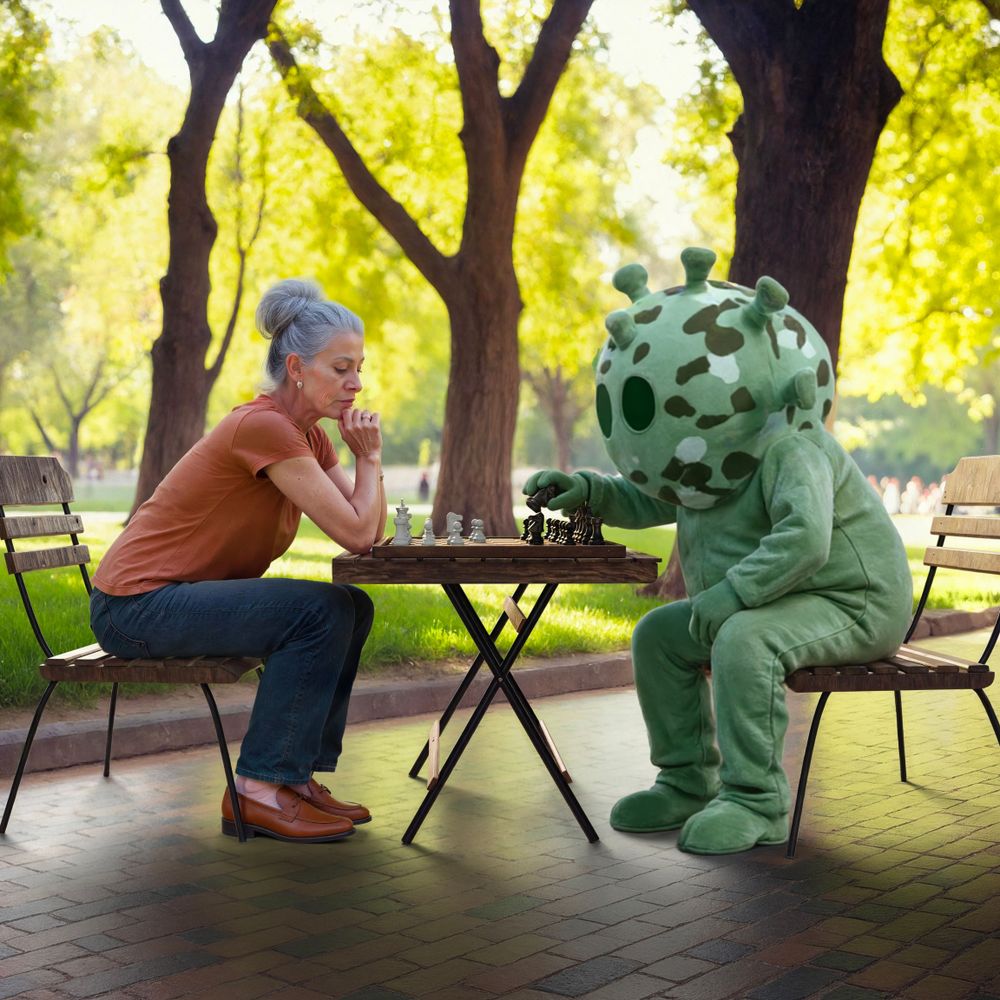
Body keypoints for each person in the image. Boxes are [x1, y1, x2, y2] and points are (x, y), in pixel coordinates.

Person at [90, 279, 386, 844]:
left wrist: (362, 462)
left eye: (359, 368)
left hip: (171, 600)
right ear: (297, 367)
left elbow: (364, 536)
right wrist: (369, 459)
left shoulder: (307, 435)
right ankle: (257, 790)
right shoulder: (264, 426)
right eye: (341, 368)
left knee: (351, 602)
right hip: (135, 606)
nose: (356, 384)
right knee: (321, 610)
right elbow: (355, 532)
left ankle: (291, 780)